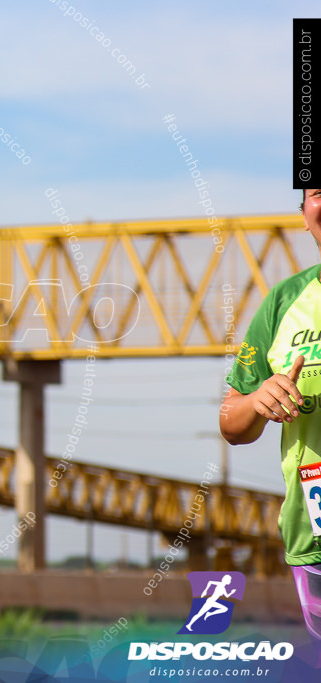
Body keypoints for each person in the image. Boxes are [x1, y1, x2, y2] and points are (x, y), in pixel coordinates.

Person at [220, 188, 321, 648]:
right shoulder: (283, 300)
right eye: (318, 193)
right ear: (303, 215)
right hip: (313, 538)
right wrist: (259, 397)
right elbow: (231, 421)